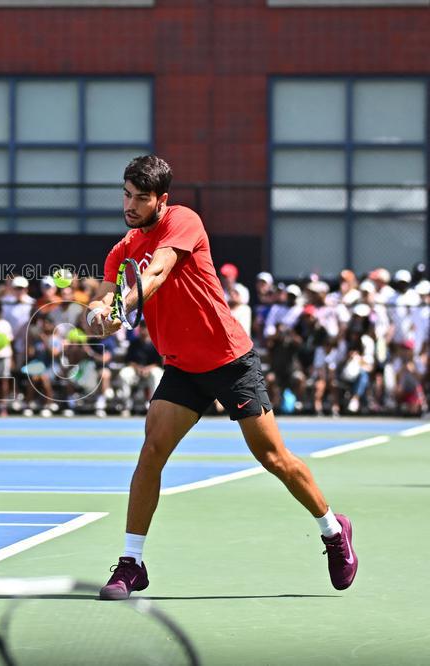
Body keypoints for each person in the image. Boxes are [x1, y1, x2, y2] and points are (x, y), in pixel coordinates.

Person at [85, 155, 357, 600]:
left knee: (273, 458)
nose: (130, 205)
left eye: (141, 198)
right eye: (126, 195)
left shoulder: (183, 221)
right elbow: (102, 297)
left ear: (161, 200)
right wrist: (99, 314)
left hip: (230, 360)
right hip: (182, 368)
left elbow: (157, 271)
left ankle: (333, 528)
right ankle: (132, 563)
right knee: (151, 451)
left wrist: (125, 303)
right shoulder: (122, 249)